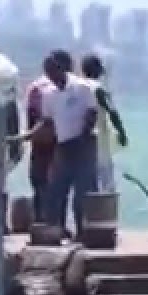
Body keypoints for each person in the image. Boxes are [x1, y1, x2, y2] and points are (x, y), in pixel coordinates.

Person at [38, 49, 100, 235]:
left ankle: (84, 231)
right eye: (47, 72)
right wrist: (29, 135)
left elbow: (92, 113)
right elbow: (47, 121)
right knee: (56, 190)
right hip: (63, 146)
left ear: (61, 68)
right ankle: (56, 230)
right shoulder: (48, 94)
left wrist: (82, 137)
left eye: (53, 70)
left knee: (83, 192)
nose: (51, 75)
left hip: (84, 144)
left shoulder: (82, 87)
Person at [79, 53, 128, 194]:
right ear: (98, 70)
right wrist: (122, 132)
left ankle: (87, 214)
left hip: (82, 143)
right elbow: (112, 111)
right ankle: (105, 213)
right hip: (99, 141)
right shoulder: (99, 88)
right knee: (106, 183)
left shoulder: (77, 86)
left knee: (87, 183)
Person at [22, 59, 59, 222]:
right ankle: (54, 222)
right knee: (55, 185)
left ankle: (40, 222)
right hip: (57, 141)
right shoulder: (60, 87)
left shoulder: (35, 88)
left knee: (39, 183)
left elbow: (31, 116)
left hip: (39, 141)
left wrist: (31, 135)